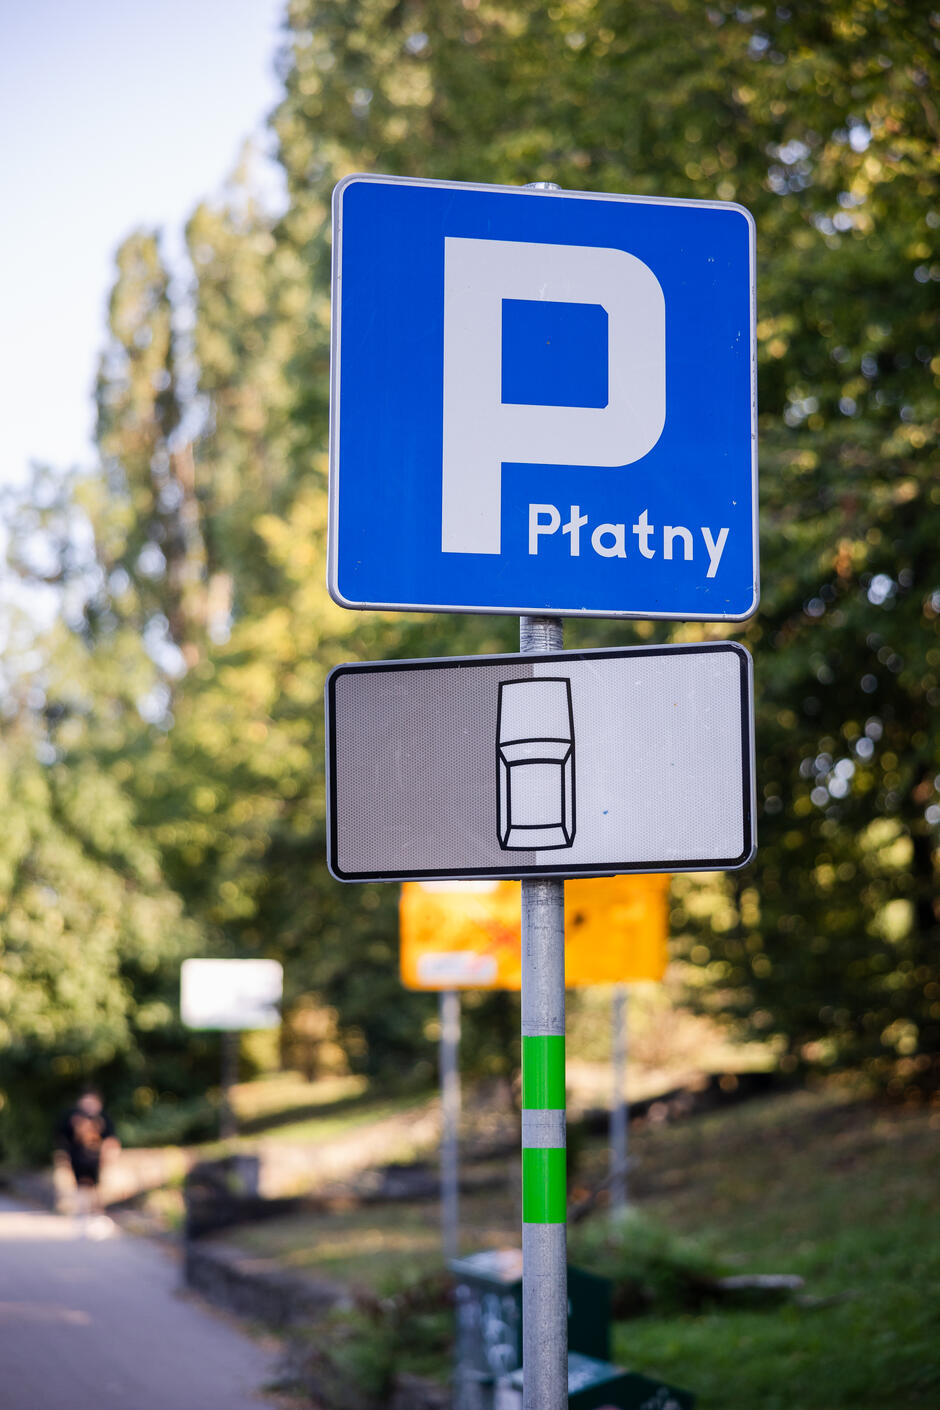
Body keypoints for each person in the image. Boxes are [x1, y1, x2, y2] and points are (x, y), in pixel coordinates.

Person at [54, 1086, 120, 1234]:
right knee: (81, 1185)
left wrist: (111, 1153)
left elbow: (111, 1138)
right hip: (78, 1157)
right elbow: (62, 1137)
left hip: (97, 1158)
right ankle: (82, 1214)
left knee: (97, 1187)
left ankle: (97, 1214)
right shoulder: (73, 1117)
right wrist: (63, 1155)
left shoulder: (104, 1118)